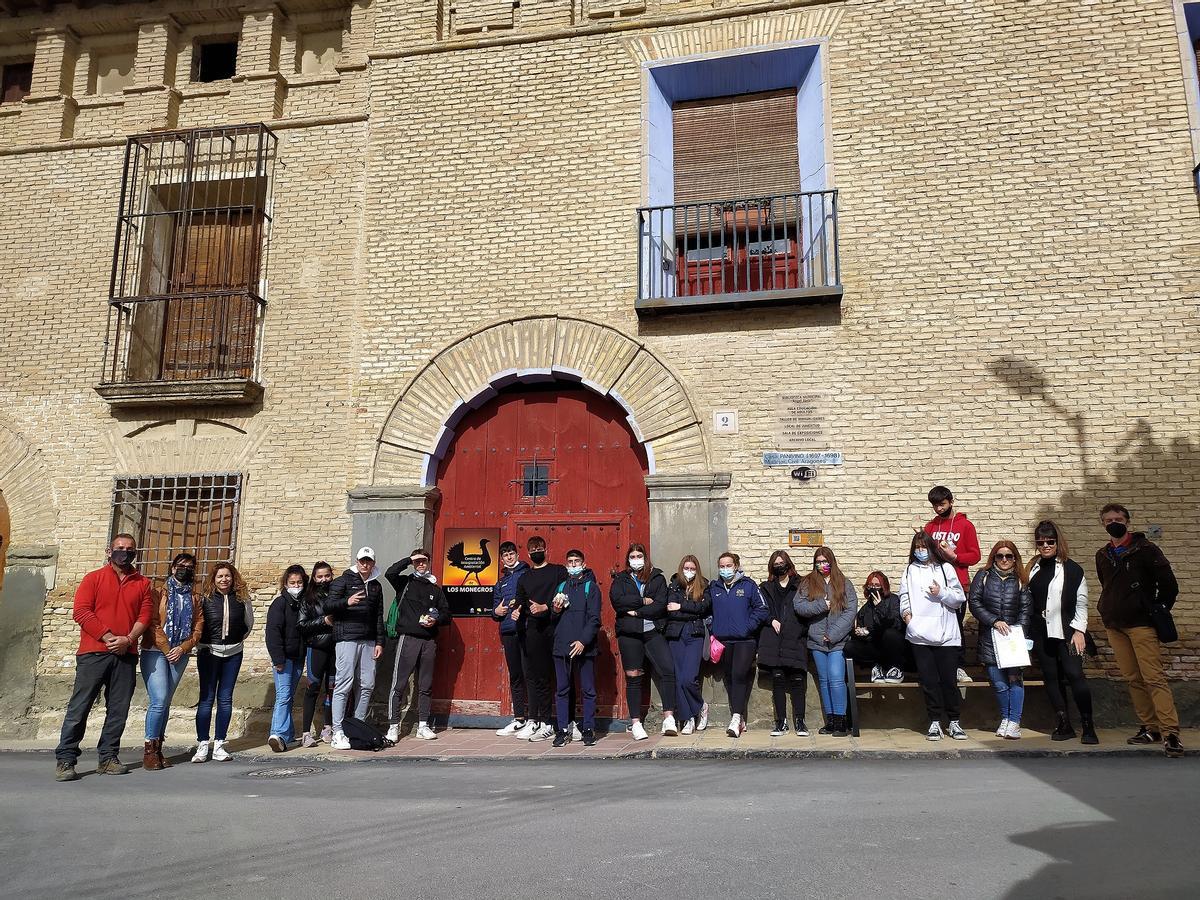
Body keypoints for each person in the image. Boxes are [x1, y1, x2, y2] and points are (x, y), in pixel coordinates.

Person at [55, 533, 153, 782]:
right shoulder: (93, 579)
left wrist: (128, 640)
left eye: (129, 549)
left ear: (135, 553)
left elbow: (145, 617)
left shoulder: (143, 583)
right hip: (93, 653)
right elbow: (81, 611)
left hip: (126, 654)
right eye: (120, 548)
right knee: (80, 707)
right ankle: (66, 759)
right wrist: (108, 636)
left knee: (118, 709)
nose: (125, 552)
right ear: (110, 552)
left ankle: (108, 757)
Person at [1095, 504, 1183, 758]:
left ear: (1128, 522)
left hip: (1141, 624)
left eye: (1119, 519)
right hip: (1115, 624)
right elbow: (1107, 585)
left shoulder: (1146, 550)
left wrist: (1157, 609)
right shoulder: (1103, 554)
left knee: (1153, 677)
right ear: (1103, 524)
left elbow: (1169, 585)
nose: (1114, 522)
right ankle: (1150, 727)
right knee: (1133, 678)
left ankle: (1170, 732)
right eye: (1109, 519)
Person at [1026, 521, 1098, 744]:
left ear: (1058, 542)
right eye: (1040, 542)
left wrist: (1079, 631)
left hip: (1067, 631)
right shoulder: (1033, 567)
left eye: (1050, 541)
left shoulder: (1072, 568)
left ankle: (1088, 726)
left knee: (1075, 675)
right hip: (1041, 632)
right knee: (1051, 678)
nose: (1045, 545)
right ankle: (1063, 723)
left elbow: (1081, 602)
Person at [900, 532, 968, 741]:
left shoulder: (946, 568)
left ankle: (954, 721)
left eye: (924, 547)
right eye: (917, 548)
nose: (921, 551)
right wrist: (907, 616)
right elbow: (904, 595)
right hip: (919, 635)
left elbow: (959, 598)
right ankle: (934, 721)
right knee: (929, 681)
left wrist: (941, 593)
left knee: (948, 680)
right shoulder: (910, 570)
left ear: (931, 547)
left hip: (946, 635)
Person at [139, 552, 204, 771]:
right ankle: (149, 749)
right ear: (173, 567)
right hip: (155, 651)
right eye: (180, 565)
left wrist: (184, 647)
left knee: (166, 701)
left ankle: (158, 749)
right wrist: (168, 650)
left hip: (180, 653)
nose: (184, 569)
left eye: (189, 566)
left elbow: (198, 626)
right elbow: (153, 623)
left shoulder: (195, 597)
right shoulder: (157, 592)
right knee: (158, 700)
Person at [610, 542, 679, 740]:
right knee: (633, 676)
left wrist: (636, 611)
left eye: (639, 556)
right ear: (627, 559)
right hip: (629, 634)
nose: (636, 560)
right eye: (632, 556)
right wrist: (641, 601)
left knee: (668, 669)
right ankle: (636, 722)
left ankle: (669, 718)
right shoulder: (621, 578)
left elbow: (659, 605)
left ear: (645, 558)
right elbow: (618, 602)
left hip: (652, 631)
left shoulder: (657, 577)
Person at [383, 549, 450, 742]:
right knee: (399, 684)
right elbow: (390, 572)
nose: (421, 564)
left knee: (425, 685)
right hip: (408, 638)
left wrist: (435, 621)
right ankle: (393, 725)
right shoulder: (405, 583)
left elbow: (446, 614)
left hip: (429, 640)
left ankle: (423, 725)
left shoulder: (435, 588)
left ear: (429, 562)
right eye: (418, 561)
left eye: (424, 561)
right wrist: (408, 559)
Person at [968, 542, 1032, 739]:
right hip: (990, 639)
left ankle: (1014, 722)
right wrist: (994, 621)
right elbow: (974, 602)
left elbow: (1025, 610)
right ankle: (1005, 718)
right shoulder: (984, 576)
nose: (1004, 560)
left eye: (1009, 556)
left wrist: (1017, 632)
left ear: (1015, 558)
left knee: (1015, 681)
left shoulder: (1021, 579)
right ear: (994, 558)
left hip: (1012, 641)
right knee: (998, 683)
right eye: (1000, 556)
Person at [325, 547, 386, 751]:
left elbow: (378, 616)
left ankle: (356, 726)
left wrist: (380, 642)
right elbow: (328, 606)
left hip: (368, 640)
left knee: (367, 684)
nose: (365, 564)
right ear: (357, 561)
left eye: (368, 561)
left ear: (373, 563)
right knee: (344, 684)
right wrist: (347, 602)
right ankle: (338, 731)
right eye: (362, 561)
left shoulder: (376, 586)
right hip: (347, 638)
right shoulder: (342, 581)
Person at [192, 562, 254, 762]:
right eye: (220, 576)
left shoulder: (242, 599)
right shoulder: (205, 599)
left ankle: (219, 743)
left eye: (227, 576)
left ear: (233, 577)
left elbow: (248, 623)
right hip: (209, 652)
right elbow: (198, 624)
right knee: (207, 698)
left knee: (225, 698)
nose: (224, 579)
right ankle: (202, 744)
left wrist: (236, 640)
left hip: (234, 653)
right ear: (214, 579)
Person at [793, 547, 857, 738]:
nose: (822, 565)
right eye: (818, 562)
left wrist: (834, 634)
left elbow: (850, 610)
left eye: (825, 561)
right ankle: (830, 721)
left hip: (837, 641)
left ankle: (841, 721)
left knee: (836, 678)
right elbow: (799, 606)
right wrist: (822, 605)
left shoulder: (844, 583)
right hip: (817, 640)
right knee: (824, 681)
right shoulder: (807, 583)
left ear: (832, 561)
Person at [707, 551, 769, 738]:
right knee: (730, 678)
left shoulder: (748, 585)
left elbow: (762, 609)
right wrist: (712, 627)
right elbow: (706, 610)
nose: (725, 569)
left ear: (736, 566)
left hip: (745, 641)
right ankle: (740, 718)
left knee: (739, 674)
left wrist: (747, 627)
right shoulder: (714, 587)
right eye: (722, 566)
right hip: (723, 640)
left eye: (729, 565)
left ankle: (735, 718)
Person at [923, 485, 981, 683]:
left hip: (958, 585)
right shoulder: (930, 527)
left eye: (942, 504)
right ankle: (940, 666)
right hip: (934, 585)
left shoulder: (965, 526)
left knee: (955, 626)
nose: (939, 509)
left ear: (951, 501)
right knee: (936, 625)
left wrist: (954, 556)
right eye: (935, 506)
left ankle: (958, 666)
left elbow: (975, 555)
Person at [514, 536, 568, 742]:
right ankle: (541, 721)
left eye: (539, 547)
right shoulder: (525, 577)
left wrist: (545, 606)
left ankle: (565, 721)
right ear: (528, 554)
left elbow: (564, 592)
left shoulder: (558, 571)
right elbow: (519, 600)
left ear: (546, 549)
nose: (536, 551)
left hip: (556, 628)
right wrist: (516, 610)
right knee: (539, 677)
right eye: (533, 549)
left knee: (563, 675)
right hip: (534, 631)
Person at [550, 549, 601, 747]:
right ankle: (562, 730)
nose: (573, 565)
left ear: (584, 563)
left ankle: (588, 728)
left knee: (588, 690)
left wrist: (583, 641)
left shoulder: (591, 587)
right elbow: (554, 618)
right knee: (562, 690)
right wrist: (555, 609)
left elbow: (594, 618)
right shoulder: (561, 586)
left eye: (576, 561)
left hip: (584, 647)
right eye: (570, 562)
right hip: (562, 646)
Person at [757, 550, 810, 737]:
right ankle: (781, 722)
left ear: (789, 564)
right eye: (776, 564)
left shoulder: (802, 585)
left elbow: (808, 610)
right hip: (773, 638)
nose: (780, 566)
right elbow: (760, 609)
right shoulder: (765, 587)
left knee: (797, 678)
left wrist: (799, 629)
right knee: (778, 678)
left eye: (782, 563)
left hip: (794, 637)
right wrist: (771, 620)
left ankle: (800, 721)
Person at [664, 555, 711, 734]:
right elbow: (670, 611)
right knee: (678, 679)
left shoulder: (705, 586)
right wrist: (691, 607)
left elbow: (703, 608)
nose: (689, 572)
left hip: (695, 634)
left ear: (697, 570)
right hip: (676, 635)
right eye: (686, 568)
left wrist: (681, 606)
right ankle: (688, 718)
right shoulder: (674, 585)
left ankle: (701, 706)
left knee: (688, 678)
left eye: (692, 569)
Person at [266, 564, 308, 752]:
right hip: (284, 659)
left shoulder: (304, 603)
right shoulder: (279, 603)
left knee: (289, 696)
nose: (296, 585)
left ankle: (288, 735)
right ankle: (277, 734)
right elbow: (272, 633)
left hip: (298, 657)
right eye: (292, 582)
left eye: (299, 582)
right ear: (285, 583)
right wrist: (278, 659)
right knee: (283, 696)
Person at [492, 541, 530, 737]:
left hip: (526, 629)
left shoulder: (526, 573)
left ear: (517, 554)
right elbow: (495, 609)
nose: (509, 556)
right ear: (501, 559)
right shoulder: (501, 582)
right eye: (505, 554)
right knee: (515, 675)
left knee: (529, 673)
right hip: (508, 631)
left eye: (511, 553)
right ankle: (519, 718)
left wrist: (521, 608)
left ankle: (535, 718)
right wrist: (496, 611)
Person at [845, 571, 909, 685]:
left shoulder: (894, 600)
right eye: (871, 586)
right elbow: (857, 627)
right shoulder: (866, 607)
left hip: (893, 646)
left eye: (877, 585)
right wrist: (859, 632)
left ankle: (895, 668)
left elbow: (895, 624)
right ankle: (876, 666)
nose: (874, 588)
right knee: (850, 646)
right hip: (875, 648)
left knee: (890, 634)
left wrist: (880, 606)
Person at [298, 561, 336, 747]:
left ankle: (328, 727)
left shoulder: (337, 594)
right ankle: (306, 732)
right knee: (313, 688)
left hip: (336, 647)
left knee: (332, 689)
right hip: (317, 647)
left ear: (332, 575)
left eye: (327, 575)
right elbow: (302, 625)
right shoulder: (308, 598)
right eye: (320, 576)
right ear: (314, 578)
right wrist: (324, 621)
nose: (324, 579)